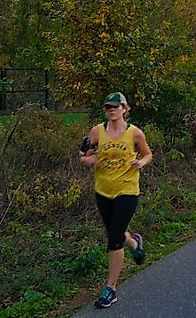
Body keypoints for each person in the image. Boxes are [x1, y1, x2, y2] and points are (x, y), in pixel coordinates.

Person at [79, 92, 153, 309]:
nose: (111, 110)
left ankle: (110, 289)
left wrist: (141, 162)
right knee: (116, 231)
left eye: (115, 106)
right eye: (108, 107)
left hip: (127, 191)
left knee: (113, 238)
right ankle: (134, 243)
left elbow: (148, 154)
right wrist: (89, 159)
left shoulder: (135, 133)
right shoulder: (97, 131)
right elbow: (82, 152)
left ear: (124, 108)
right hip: (103, 191)